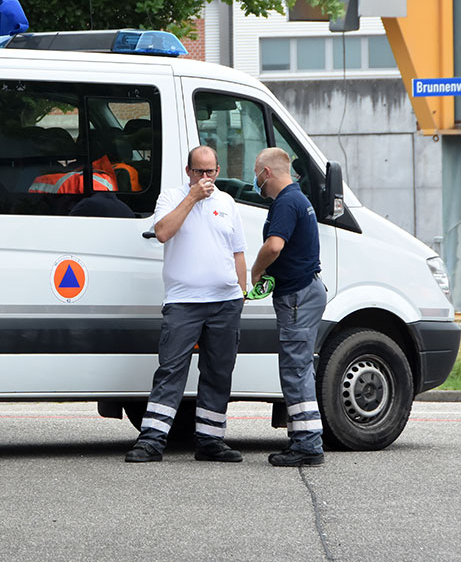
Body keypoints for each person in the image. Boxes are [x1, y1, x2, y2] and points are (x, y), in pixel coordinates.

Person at [124, 146, 247, 463]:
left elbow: (238, 253)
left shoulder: (227, 203)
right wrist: (192, 198)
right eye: (199, 171)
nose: (205, 178)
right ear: (188, 171)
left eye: (210, 172)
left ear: (218, 171)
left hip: (225, 302)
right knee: (171, 369)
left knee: (218, 372)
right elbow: (162, 232)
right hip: (183, 301)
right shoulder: (170, 198)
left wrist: (241, 294)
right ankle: (152, 439)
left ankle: (210, 440)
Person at [249, 147, 326, 467]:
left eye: (257, 177)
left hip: (296, 297)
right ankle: (304, 438)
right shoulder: (299, 200)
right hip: (306, 291)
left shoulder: (286, 202)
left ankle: (307, 445)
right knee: (300, 367)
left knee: (295, 370)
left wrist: (256, 271)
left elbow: (274, 245)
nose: (256, 184)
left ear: (267, 173)